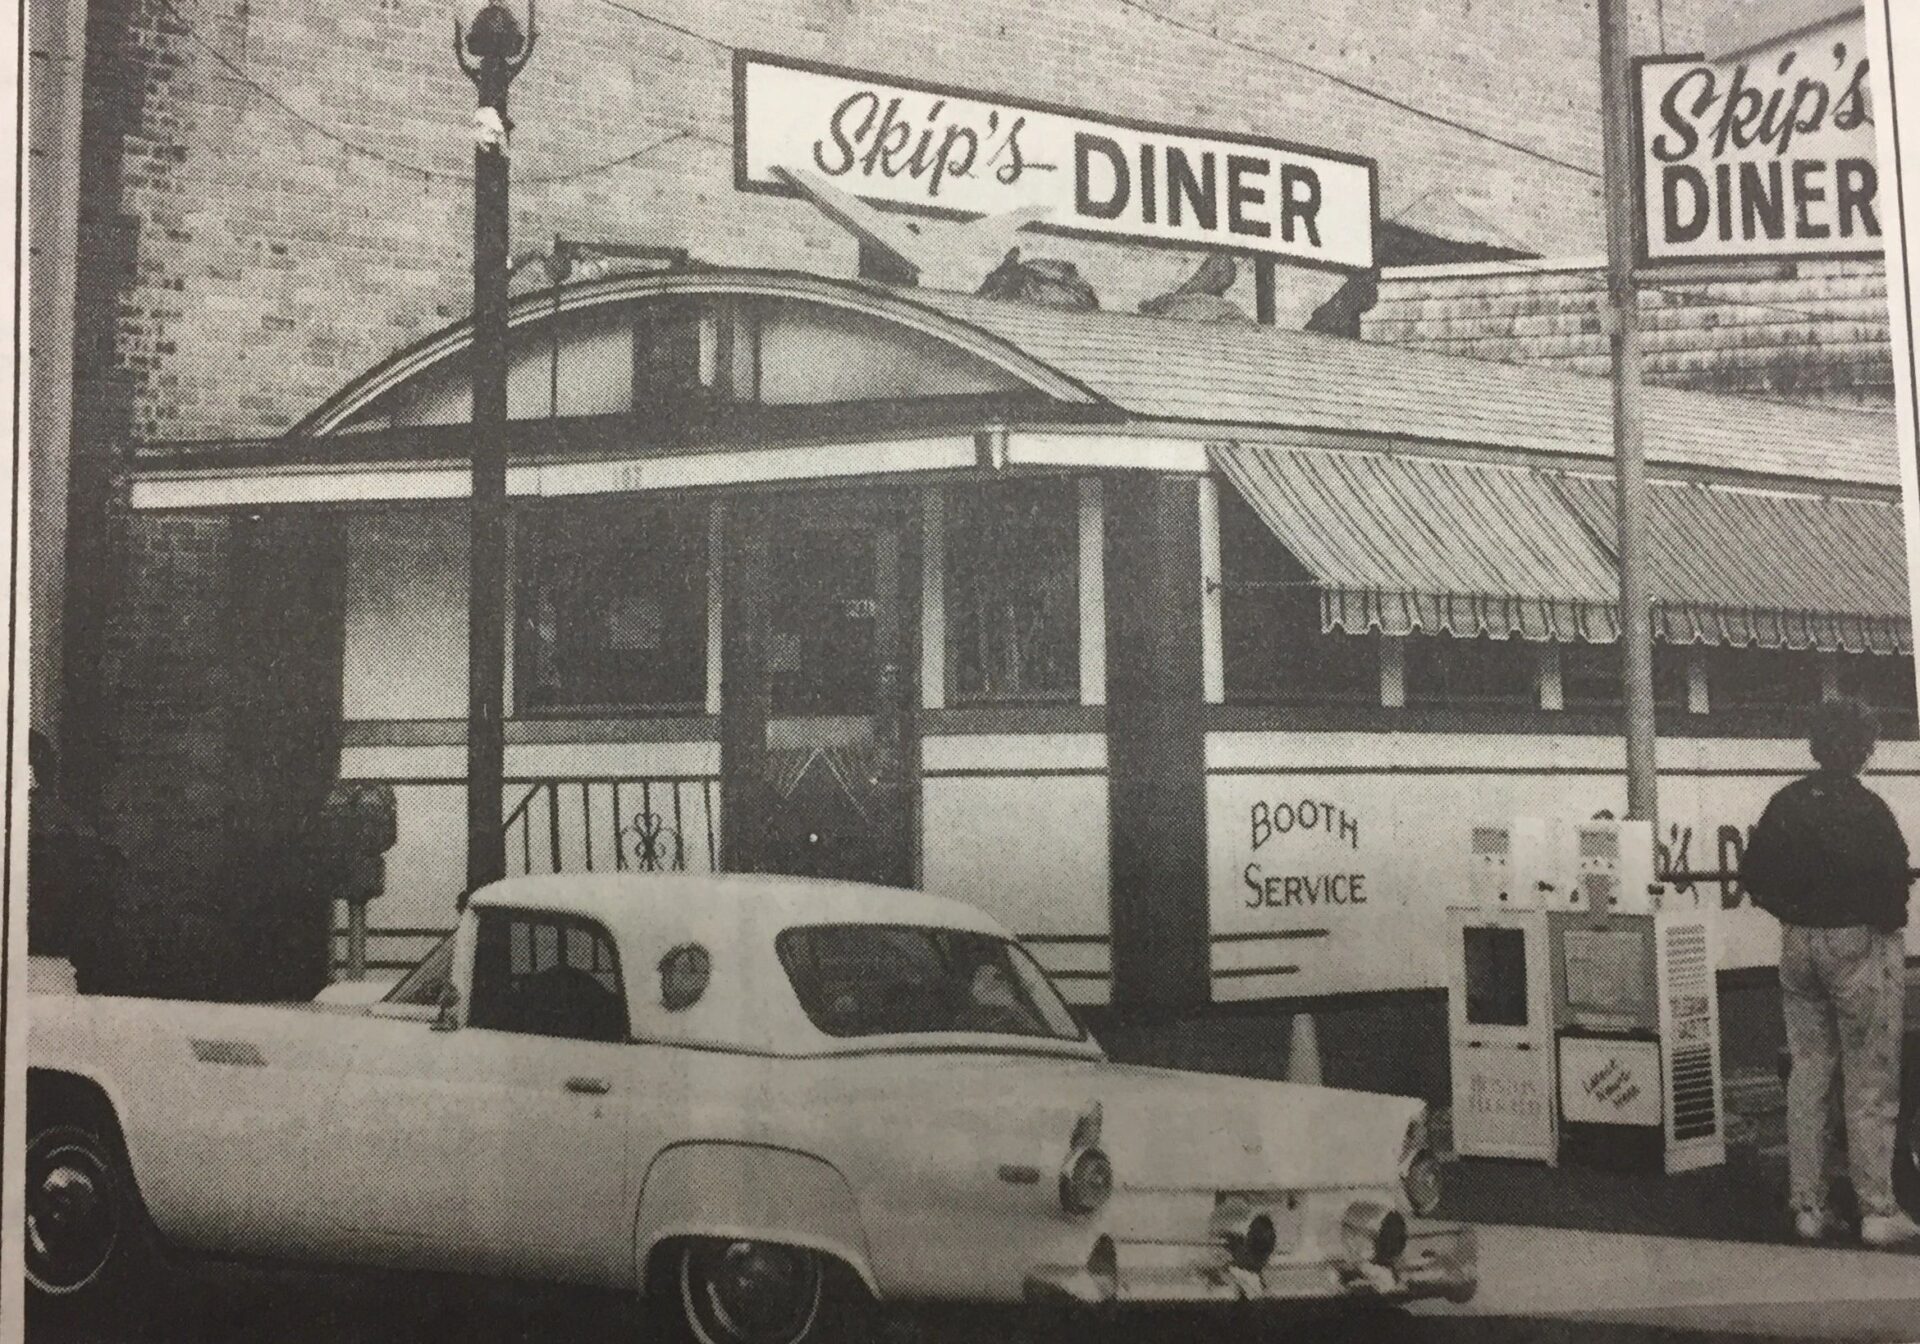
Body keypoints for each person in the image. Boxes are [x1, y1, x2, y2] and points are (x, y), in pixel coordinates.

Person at [1740, 697, 1919, 1248]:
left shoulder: (1786, 803)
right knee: (1869, 1077)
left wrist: (1796, 914)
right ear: (1862, 749)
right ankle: (1876, 1210)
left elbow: (1754, 877)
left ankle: (1809, 1208)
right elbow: (1894, 885)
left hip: (1797, 943)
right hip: (1857, 943)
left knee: (1809, 1073)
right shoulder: (1867, 809)